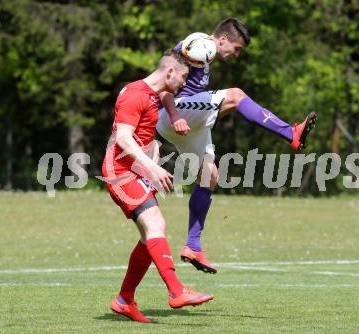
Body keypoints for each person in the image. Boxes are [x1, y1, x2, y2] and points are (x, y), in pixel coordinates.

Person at [156, 18, 317, 274]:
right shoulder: (197, 45)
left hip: (185, 121)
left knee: (209, 176)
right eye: (237, 48)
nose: (237, 54)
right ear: (222, 40)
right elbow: (164, 84)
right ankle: (291, 133)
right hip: (173, 115)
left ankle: (193, 246)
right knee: (236, 95)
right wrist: (175, 117)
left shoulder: (205, 55)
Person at [102, 49, 213, 323]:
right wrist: (152, 167)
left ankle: (124, 299)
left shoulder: (152, 96)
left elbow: (144, 136)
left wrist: (151, 162)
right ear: (170, 72)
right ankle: (177, 291)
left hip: (135, 170)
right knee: (156, 226)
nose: (185, 84)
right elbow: (124, 139)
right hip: (121, 171)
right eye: (184, 77)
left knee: (149, 237)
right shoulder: (135, 95)